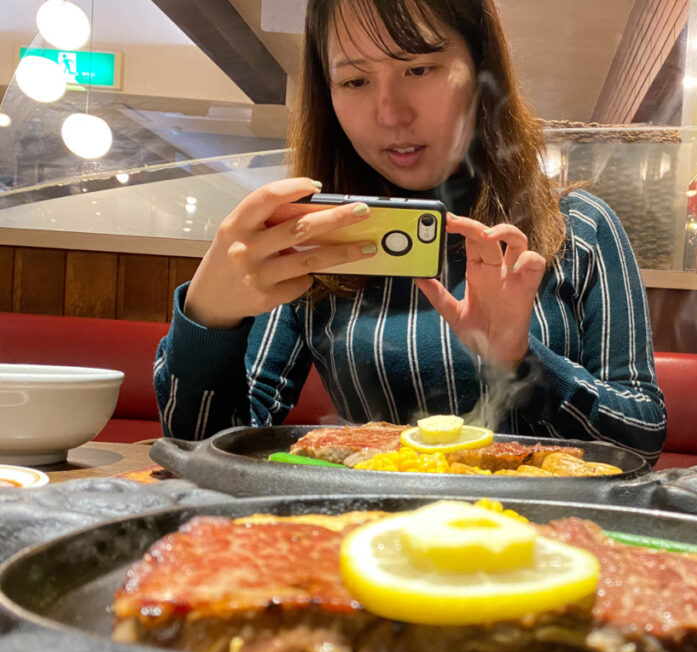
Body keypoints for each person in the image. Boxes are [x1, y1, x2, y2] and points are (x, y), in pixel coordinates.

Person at [155, 0, 667, 462]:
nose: (390, 113)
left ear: (482, 69)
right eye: (355, 81)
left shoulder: (578, 226)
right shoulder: (316, 237)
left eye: (419, 68)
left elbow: (641, 437)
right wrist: (207, 322)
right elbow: (209, 451)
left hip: (542, 543)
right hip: (365, 540)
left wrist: (524, 363)